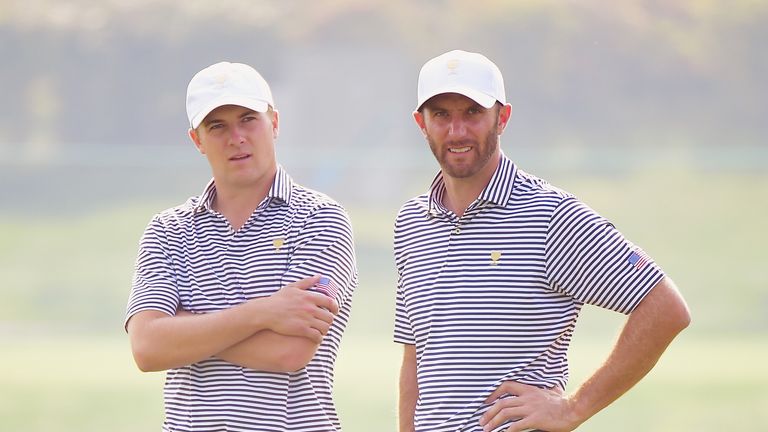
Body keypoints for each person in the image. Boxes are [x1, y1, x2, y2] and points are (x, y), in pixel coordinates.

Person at [393, 50, 690, 432]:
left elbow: (665, 307)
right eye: (441, 115)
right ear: (421, 123)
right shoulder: (413, 222)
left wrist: (573, 407)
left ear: (502, 118)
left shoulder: (551, 215)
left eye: (472, 113)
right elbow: (417, 357)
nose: (457, 131)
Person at [126, 61, 358, 432]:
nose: (236, 137)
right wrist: (264, 313)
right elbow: (147, 349)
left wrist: (183, 330)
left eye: (248, 119)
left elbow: (289, 351)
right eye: (217, 126)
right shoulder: (168, 230)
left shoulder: (320, 219)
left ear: (275, 123)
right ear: (197, 140)